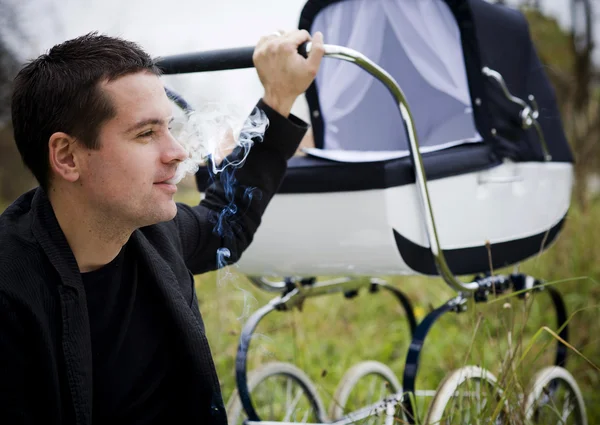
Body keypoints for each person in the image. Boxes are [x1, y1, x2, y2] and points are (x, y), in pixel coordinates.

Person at [0, 29, 324, 424]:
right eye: (146, 133)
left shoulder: (154, 235)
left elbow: (226, 224)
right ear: (68, 157)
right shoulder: (10, 292)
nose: (176, 151)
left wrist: (278, 99)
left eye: (169, 128)